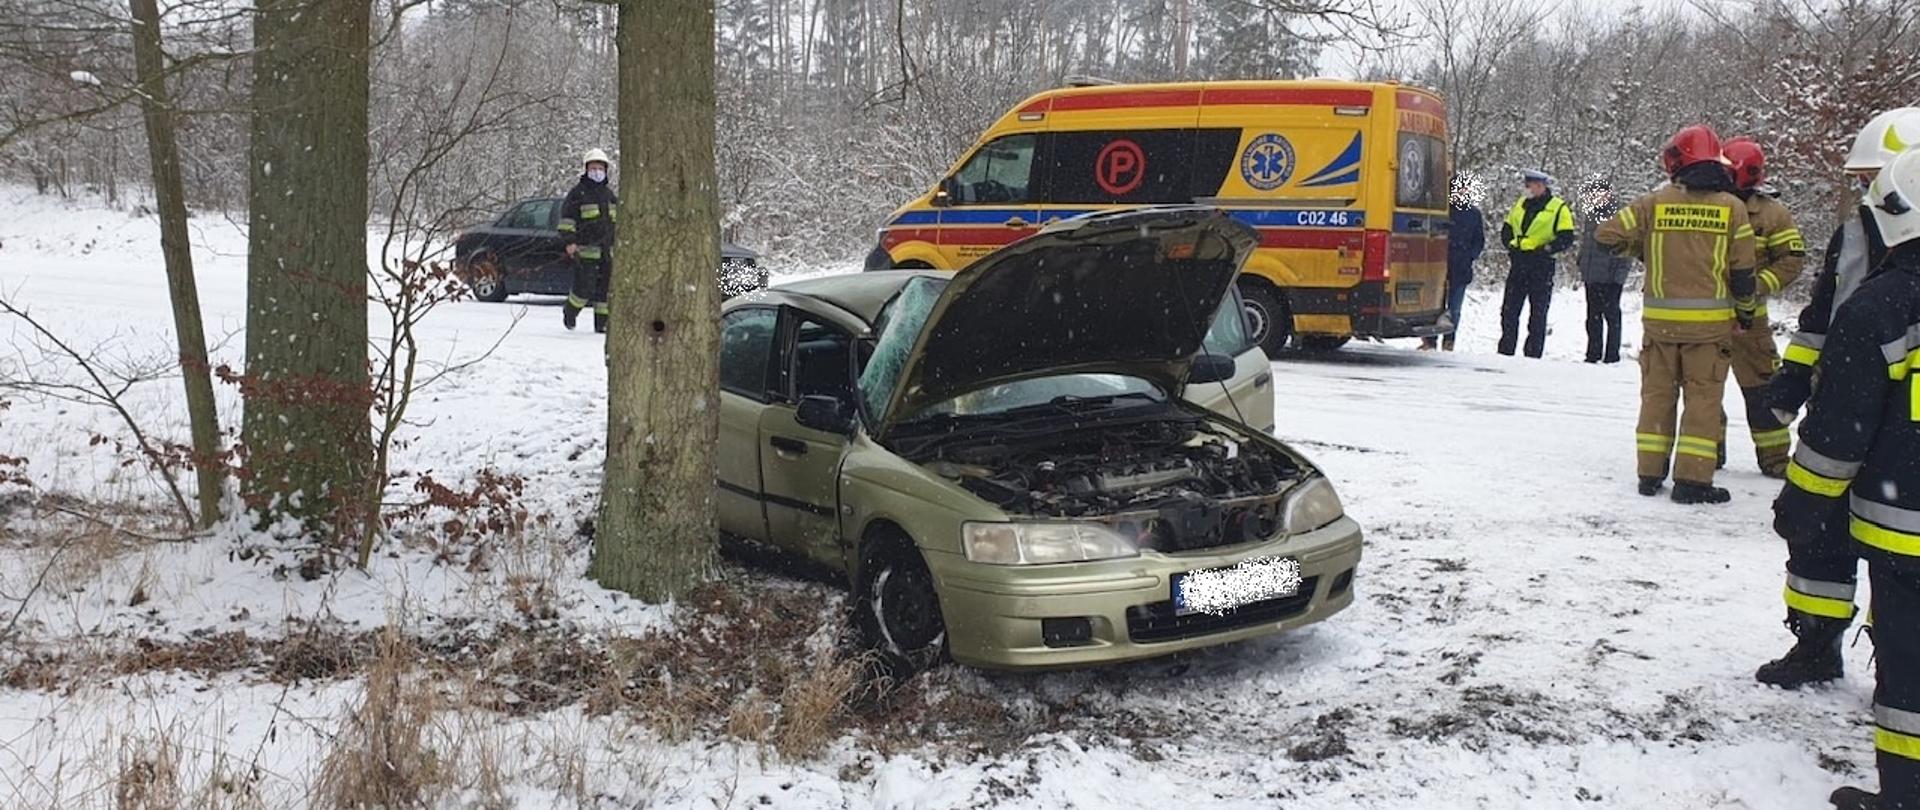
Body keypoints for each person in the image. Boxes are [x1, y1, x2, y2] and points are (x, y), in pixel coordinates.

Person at [1771, 145, 1920, 810]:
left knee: (1911, 673)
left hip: (1906, 536)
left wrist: (1802, 504)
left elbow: (1837, 439)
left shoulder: (1885, 309)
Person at [1595, 124, 1758, 504]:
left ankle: (1649, 475)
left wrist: (1645, 252)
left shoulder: (1653, 203)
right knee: (1703, 403)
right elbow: (1743, 272)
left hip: (1660, 326)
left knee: (1657, 397)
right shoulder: (1732, 208)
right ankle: (1692, 482)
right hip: (1710, 331)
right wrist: (1746, 314)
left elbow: (1606, 236)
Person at [1768, 108, 1920, 419]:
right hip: (1851, 398)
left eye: (1874, 178)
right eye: (1863, 180)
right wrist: (1793, 380)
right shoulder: (1851, 237)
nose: (1867, 190)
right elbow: (1821, 318)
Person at [1714, 138, 1807, 479]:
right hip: (1706, 316)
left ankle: (1774, 459)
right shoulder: (1705, 203)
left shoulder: (1772, 214)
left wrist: (1756, 285)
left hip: (1749, 320)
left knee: (1763, 388)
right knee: (1704, 388)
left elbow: (1791, 260)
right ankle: (1707, 453)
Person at [1498, 170, 1576, 358]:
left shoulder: (1558, 208)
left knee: (1538, 311)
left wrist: (1545, 250)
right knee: (1509, 310)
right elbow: (1507, 229)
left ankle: (1533, 352)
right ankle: (1506, 349)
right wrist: (1510, 245)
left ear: (1542, 186)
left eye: (1531, 185)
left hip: (1541, 265)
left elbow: (1566, 237)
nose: (1528, 189)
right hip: (1519, 262)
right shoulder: (1520, 205)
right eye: (1527, 185)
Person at [559, 148, 620, 334]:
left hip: (607, 252)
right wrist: (569, 241)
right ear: (586, 169)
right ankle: (570, 311)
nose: (597, 171)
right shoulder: (578, 194)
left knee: (605, 291)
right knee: (583, 289)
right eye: (593, 168)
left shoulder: (610, 196)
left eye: (600, 168)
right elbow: (567, 220)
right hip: (585, 250)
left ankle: (601, 324)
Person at [1425, 174, 1485, 351]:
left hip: (1461, 267)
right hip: (1439, 266)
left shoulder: (1473, 214)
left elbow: (1479, 240)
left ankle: (1449, 341)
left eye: (1464, 188)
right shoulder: (1443, 211)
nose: (1461, 192)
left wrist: (1469, 256)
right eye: (1458, 188)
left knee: (1455, 308)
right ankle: (1430, 341)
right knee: (1435, 306)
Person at [1576, 176, 1633, 363]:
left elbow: (1628, 246)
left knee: (1611, 316)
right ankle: (1593, 352)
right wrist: (1582, 262)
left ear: (1608, 194)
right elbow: (1587, 243)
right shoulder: (1591, 215)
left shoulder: (1619, 215)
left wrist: (1620, 275)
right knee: (1592, 316)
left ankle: (1612, 354)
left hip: (1611, 276)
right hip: (1592, 274)